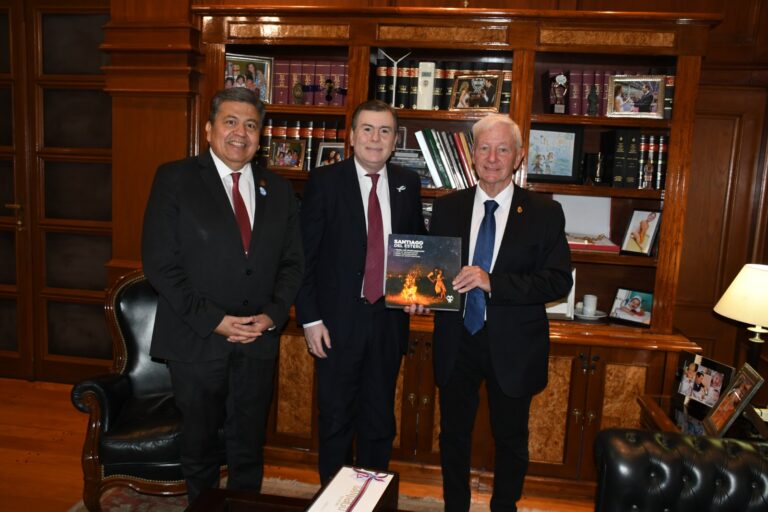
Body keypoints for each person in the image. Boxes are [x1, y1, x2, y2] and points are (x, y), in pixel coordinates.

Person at [141, 87, 304, 503]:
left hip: (258, 340)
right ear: (210, 128)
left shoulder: (279, 189)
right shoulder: (174, 178)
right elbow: (161, 263)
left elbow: (292, 263)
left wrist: (271, 315)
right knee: (200, 450)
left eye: (251, 125)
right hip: (197, 339)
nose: (240, 133)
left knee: (248, 448)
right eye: (230, 122)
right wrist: (214, 320)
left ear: (261, 135)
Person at [427, 114, 573, 511]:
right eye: (484, 148)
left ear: (518, 156)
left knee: (510, 438)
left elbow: (558, 282)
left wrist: (494, 282)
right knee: (453, 435)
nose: (492, 157)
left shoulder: (544, 212)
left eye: (502, 149)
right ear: (472, 155)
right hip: (457, 340)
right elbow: (431, 273)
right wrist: (415, 290)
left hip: (513, 345)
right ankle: (454, 506)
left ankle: (504, 506)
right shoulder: (446, 208)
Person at [295, 99, 426, 484]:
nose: (375, 138)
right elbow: (304, 257)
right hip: (335, 323)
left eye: (385, 131)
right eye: (367, 129)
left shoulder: (407, 182)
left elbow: (414, 246)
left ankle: (370, 502)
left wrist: (417, 294)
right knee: (335, 422)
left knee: (379, 422)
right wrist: (310, 318)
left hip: (387, 323)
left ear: (394, 140)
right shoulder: (325, 181)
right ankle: (333, 505)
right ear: (351, 137)